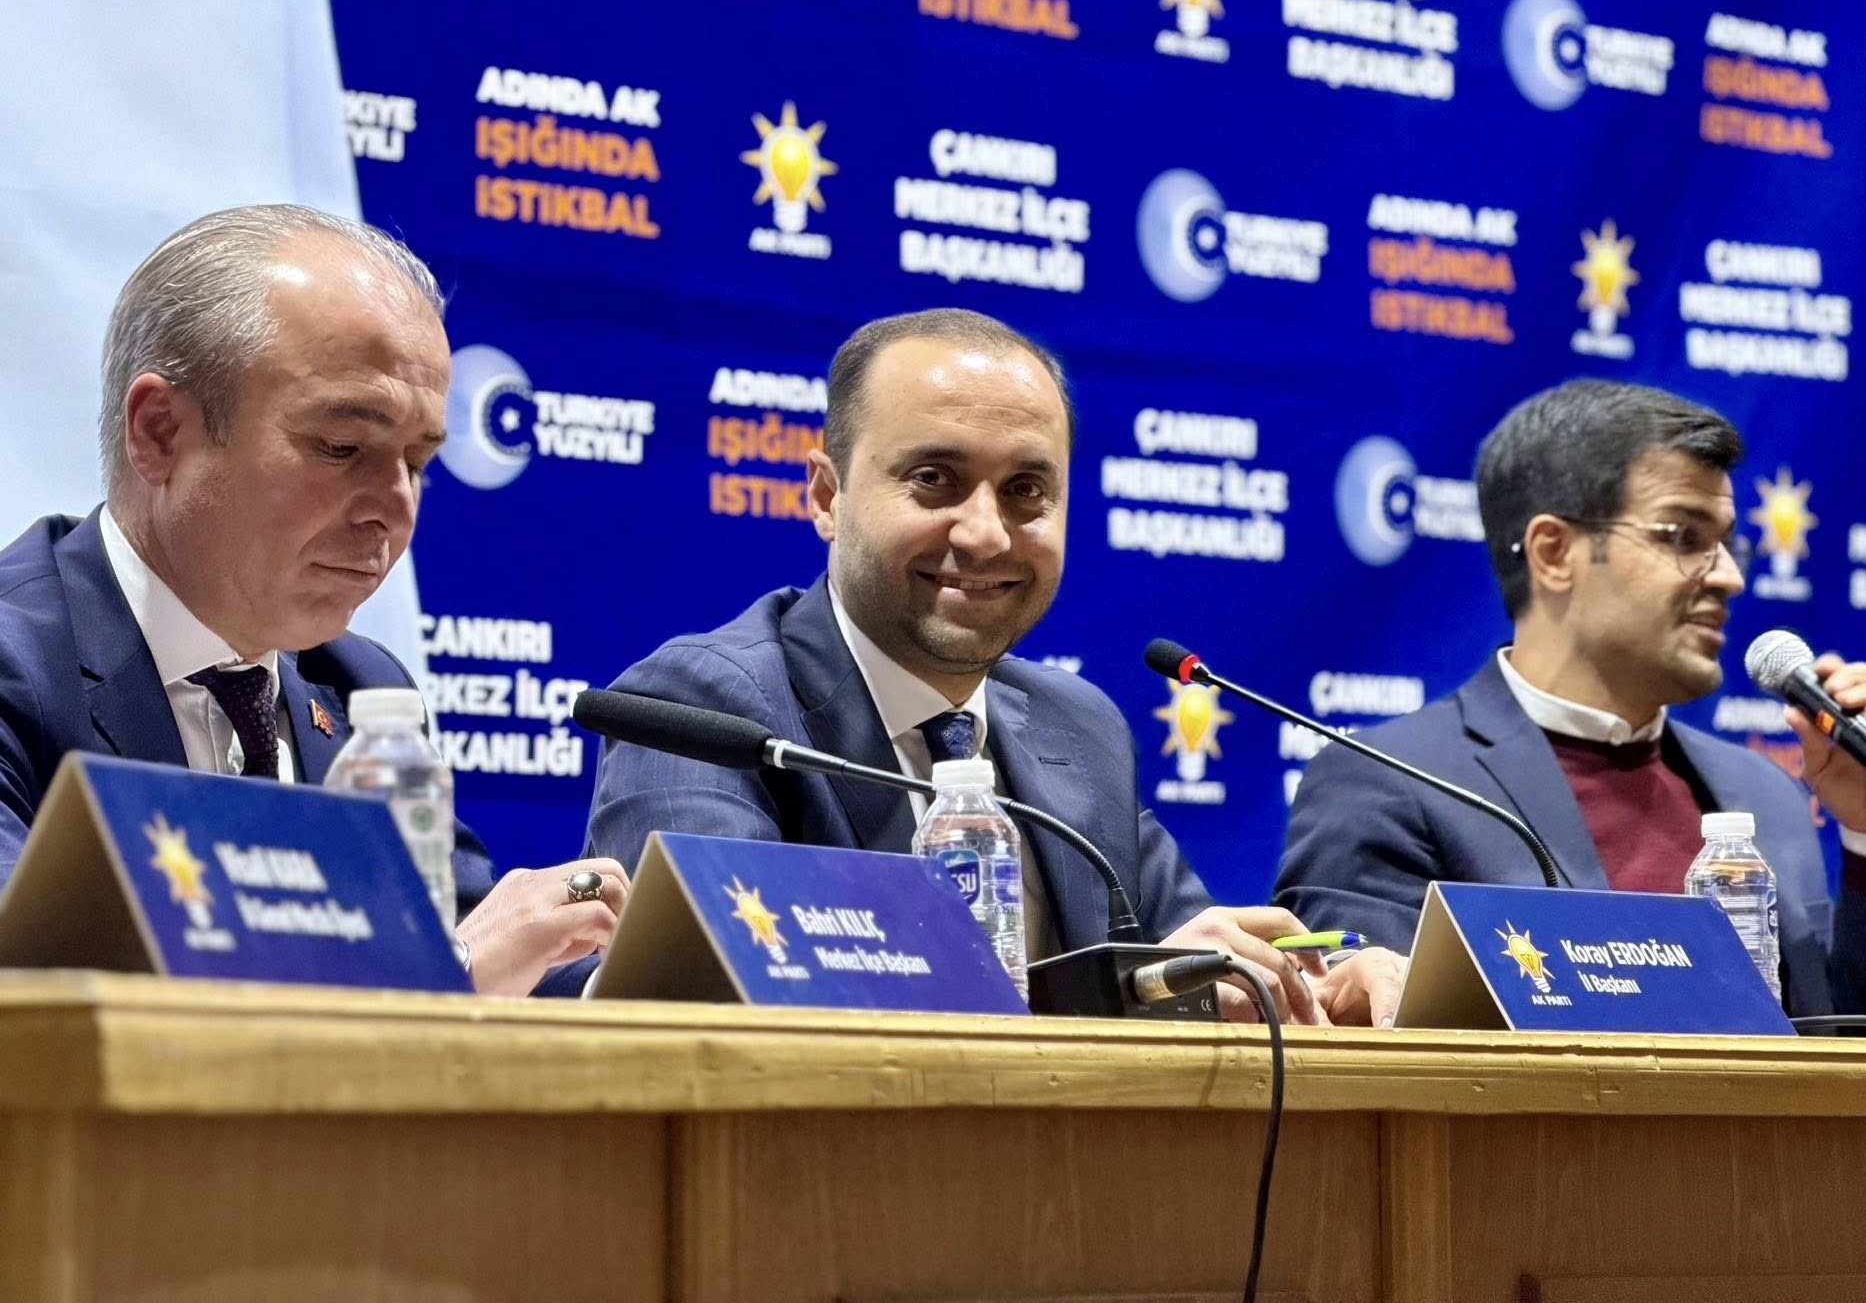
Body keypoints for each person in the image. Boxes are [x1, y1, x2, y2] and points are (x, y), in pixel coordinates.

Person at [586, 307, 1407, 1024]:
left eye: (1025, 491)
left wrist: (1309, 984)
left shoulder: (1075, 725)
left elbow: (1184, 959)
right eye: (934, 479)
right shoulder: (707, 711)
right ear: (827, 496)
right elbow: (722, 1003)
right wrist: (1118, 996)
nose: (984, 534)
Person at [0, 205, 626, 996]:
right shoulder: (20, 664)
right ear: (160, 432)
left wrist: (626, 976)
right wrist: (451, 972)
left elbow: (493, 949)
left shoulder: (360, 689)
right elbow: (38, 1000)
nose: (394, 509)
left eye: (418, 463)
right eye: (342, 447)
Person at [1276, 379, 1866, 1025]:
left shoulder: (1764, 796)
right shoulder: (1390, 783)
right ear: (1553, 553)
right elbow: (1371, 1048)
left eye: (1727, 543)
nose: (1730, 577)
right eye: (1684, 537)